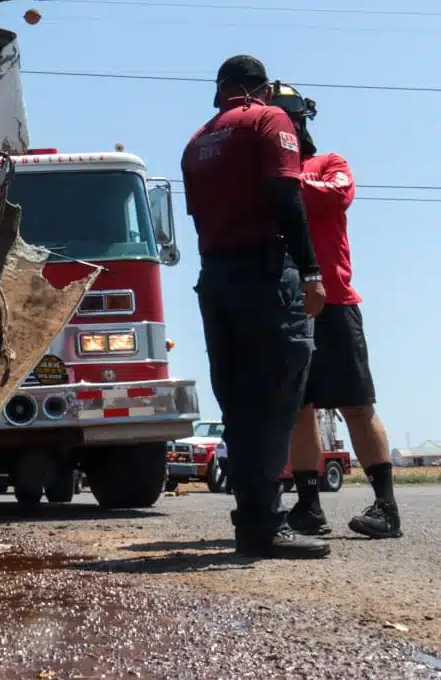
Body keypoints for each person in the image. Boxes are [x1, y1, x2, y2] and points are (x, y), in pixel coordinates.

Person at [180, 55, 329, 559]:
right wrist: (311, 271)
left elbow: (200, 216)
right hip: (266, 277)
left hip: (216, 279)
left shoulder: (197, 142)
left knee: (238, 402)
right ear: (260, 88)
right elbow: (287, 198)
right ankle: (266, 524)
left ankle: (252, 520)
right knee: (277, 395)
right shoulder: (269, 120)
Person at [272, 83, 402, 540]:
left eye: (290, 121)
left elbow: (336, 195)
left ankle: (386, 507)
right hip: (288, 306)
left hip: (336, 301)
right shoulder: (266, 177)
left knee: (357, 405)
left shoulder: (329, 164)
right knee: (299, 408)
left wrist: (285, 181)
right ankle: (309, 508)